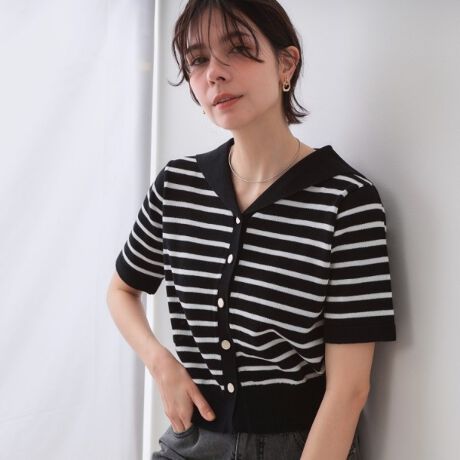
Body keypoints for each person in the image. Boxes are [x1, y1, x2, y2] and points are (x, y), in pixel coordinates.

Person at [106, 1, 397, 459]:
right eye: (197, 59)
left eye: (237, 49)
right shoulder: (177, 186)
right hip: (191, 442)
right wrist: (162, 365)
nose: (214, 74)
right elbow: (122, 290)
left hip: (299, 447)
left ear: (286, 63)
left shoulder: (346, 200)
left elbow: (349, 390)